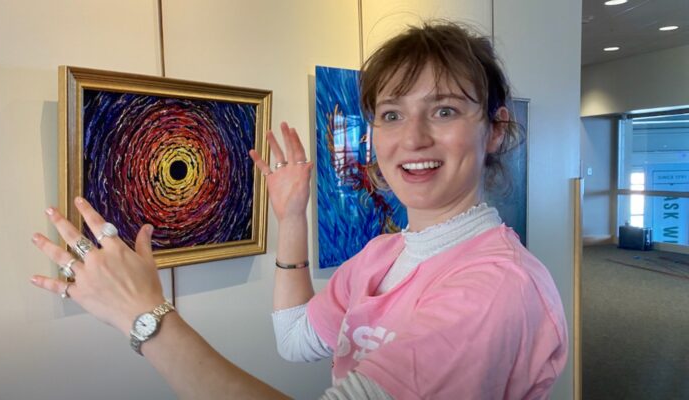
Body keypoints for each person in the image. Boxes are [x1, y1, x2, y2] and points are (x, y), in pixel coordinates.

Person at [30, 21, 567, 399]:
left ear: (494, 130)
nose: (414, 138)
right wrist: (292, 219)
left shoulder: (494, 287)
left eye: (444, 110)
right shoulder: (386, 253)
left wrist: (144, 316)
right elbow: (295, 340)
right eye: (391, 114)